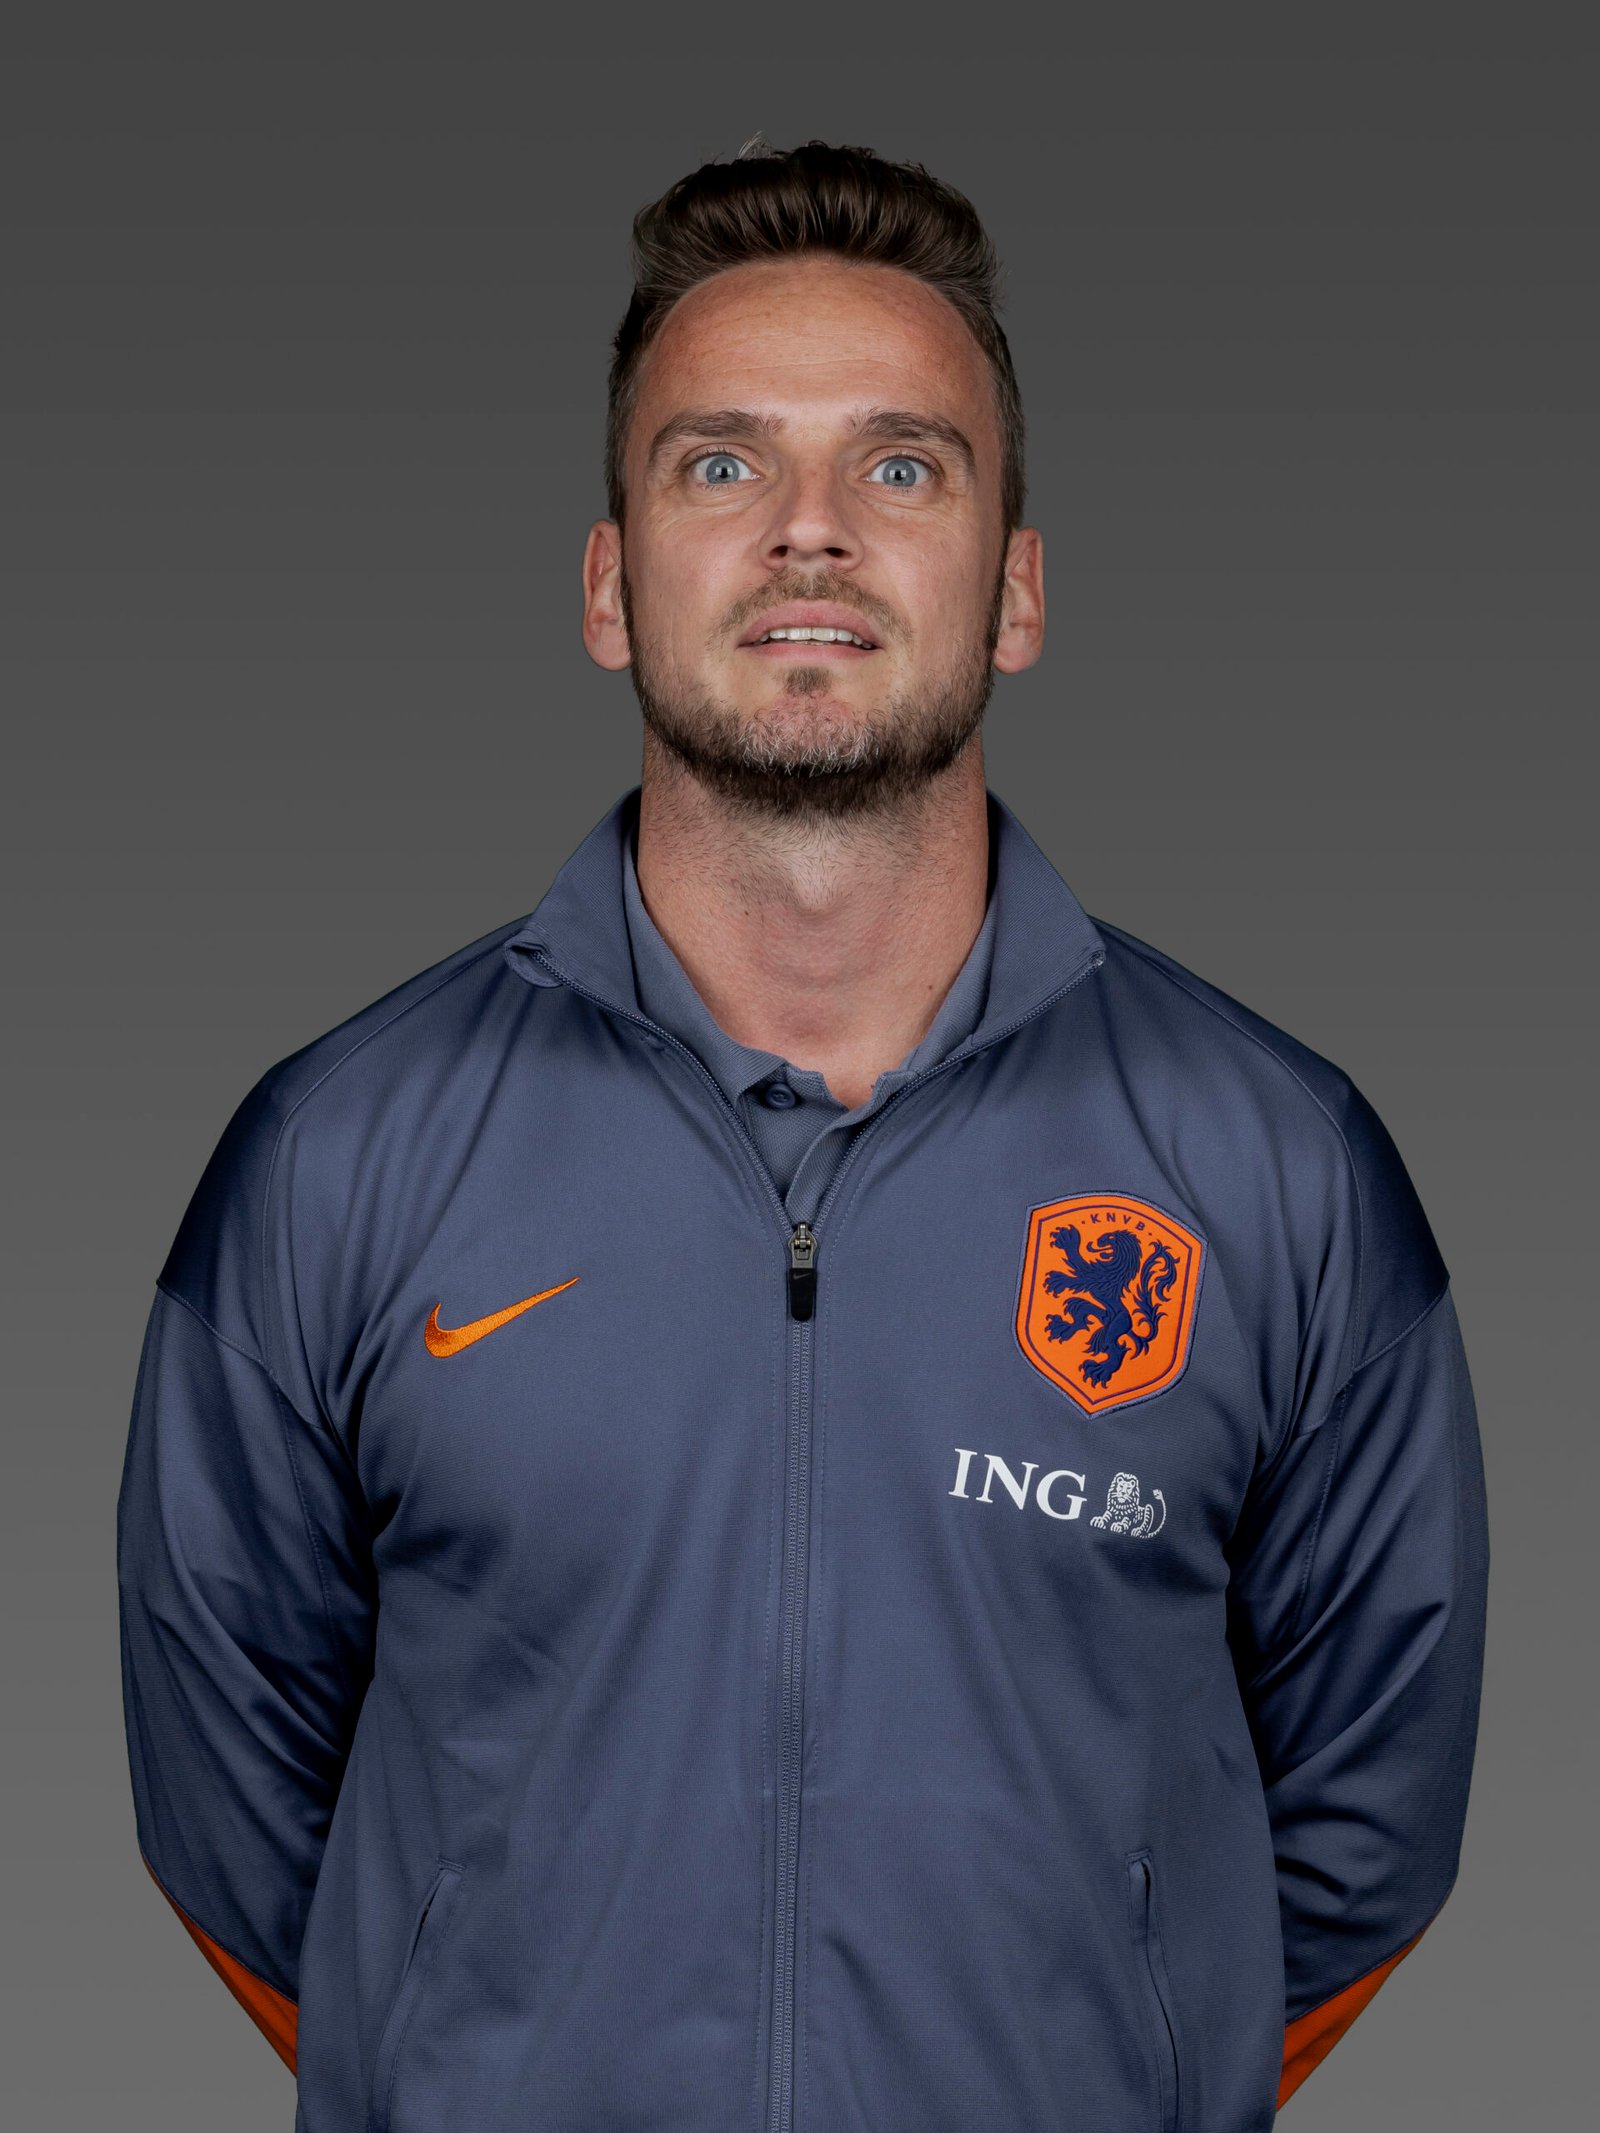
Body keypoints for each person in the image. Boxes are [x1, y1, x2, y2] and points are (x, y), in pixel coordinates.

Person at [116, 137, 1490, 2132]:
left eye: (902, 467)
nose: (812, 532)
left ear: (1016, 589)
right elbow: (229, 1810)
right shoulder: (338, 1157)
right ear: (610, 585)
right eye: (720, 464)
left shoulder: (1278, 1167)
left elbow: (1372, 1816)